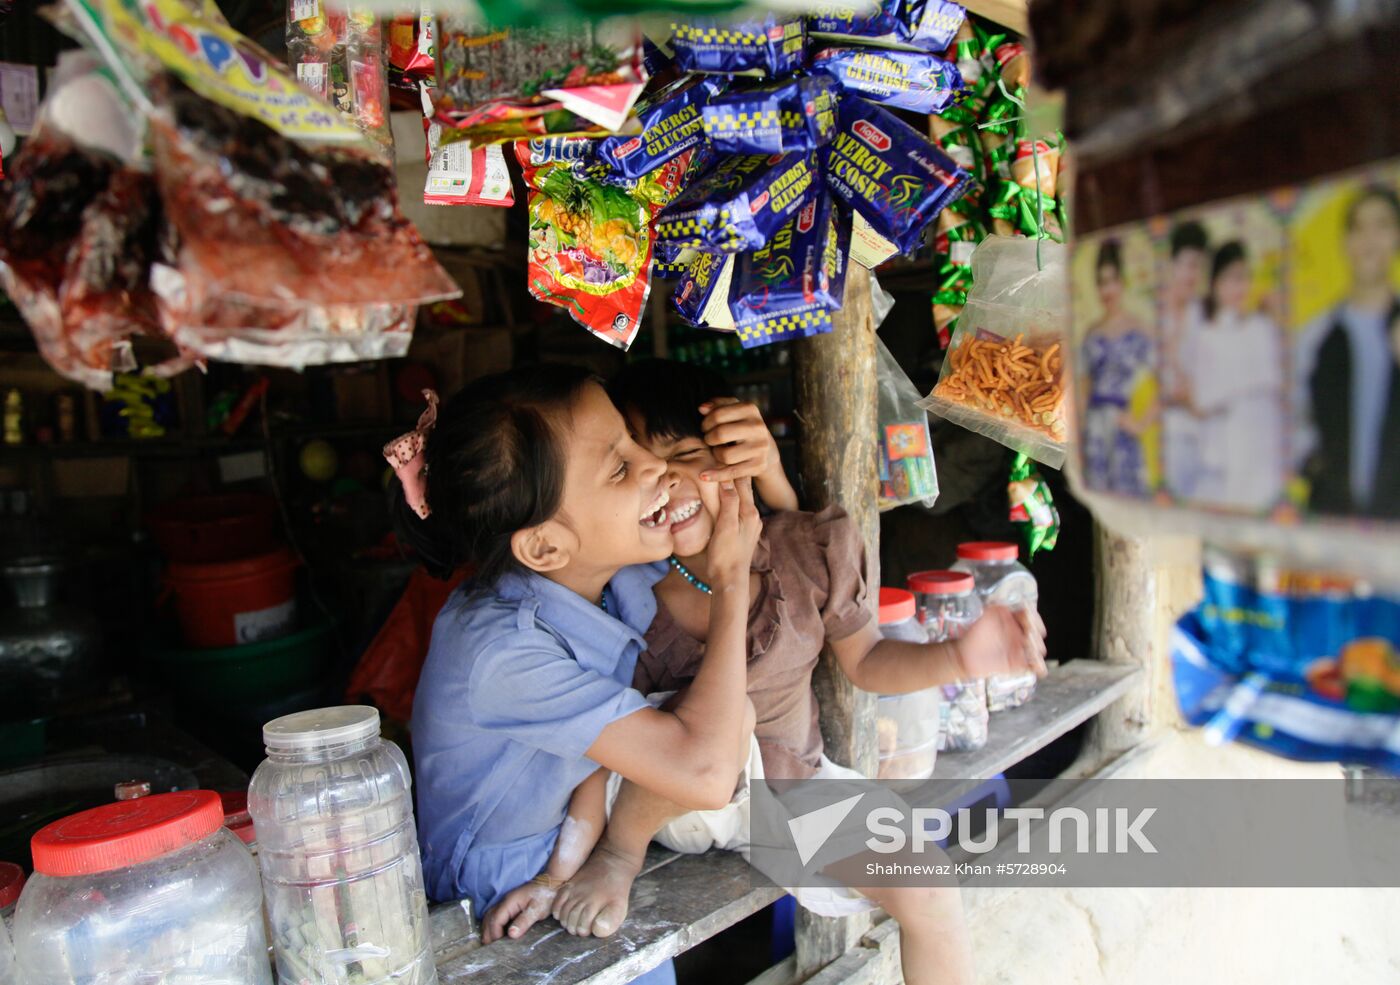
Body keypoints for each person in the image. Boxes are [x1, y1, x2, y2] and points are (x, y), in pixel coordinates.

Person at [517, 360, 1048, 985]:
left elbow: (869, 662)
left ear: (736, 457)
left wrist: (959, 657)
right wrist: (576, 862)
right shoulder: (621, 583)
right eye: (642, 466)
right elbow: (597, 731)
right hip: (662, 805)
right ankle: (619, 859)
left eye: (689, 452)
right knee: (718, 722)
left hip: (792, 793)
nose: (672, 481)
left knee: (928, 886)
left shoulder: (802, 550)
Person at [399, 365, 763, 985]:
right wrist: (729, 583)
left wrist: (766, 474)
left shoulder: (605, 576)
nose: (653, 466)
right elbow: (704, 775)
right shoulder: (502, 652)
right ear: (544, 547)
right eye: (619, 467)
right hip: (501, 897)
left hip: (580, 837)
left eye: (630, 442)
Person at [1300, 186, 1400, 518]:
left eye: (1382, 225)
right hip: (1332, 524)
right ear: (1345, 242)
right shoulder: (1317, 335)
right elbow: (1294, 419)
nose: (1370, 240)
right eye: (1359, 228)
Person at [1189, 241, 1287, 511]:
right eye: (1231, 278)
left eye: (1243, 278)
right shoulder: (1206, 336)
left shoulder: (1262, 327)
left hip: (1263, 440)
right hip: (1226, 444)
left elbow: (1278, 383)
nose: (1239, 287)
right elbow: (1203, 398)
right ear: (1215, 283)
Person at [1081, 239, 1156, 495]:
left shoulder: (1139, 330)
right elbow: (1084, 385)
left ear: (1122, 281)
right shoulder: (1092, 332)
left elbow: (1166, 380)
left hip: (1121, 426)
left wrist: (1141, 422)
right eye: (1101, 282)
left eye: (1112, 280)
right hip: (1092, 428)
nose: (1107, 289)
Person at [1159, 222, 1210, 499]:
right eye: (1189, 264)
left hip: (1196, 439)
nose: (1195, 274)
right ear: (1172, 263)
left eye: (1200, 266)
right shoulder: (1153, 314)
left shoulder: (1202, 317)